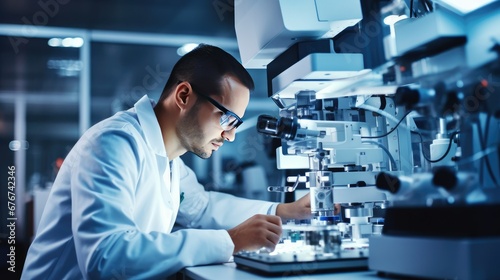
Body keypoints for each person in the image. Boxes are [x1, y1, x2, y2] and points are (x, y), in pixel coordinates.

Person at [21, 44, 312, 279]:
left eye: (236, 123)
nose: (231, 136)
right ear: (184, 95)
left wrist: (285, 210)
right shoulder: (114, 143)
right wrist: (230, 241)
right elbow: (105, 259)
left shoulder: (169, 158)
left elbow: (202, 208)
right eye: (226, 118)